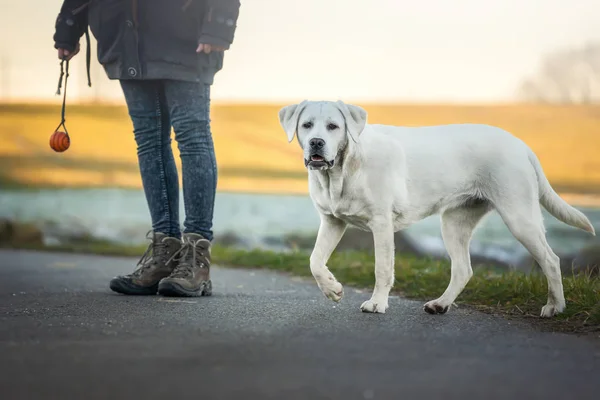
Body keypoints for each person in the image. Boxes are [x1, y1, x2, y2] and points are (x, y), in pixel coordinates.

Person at [53, 0, 241, 297]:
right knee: (149, 141)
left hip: (185, 34)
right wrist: (68, 24)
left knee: (192, 138)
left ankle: (196, 257)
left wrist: (219, 24)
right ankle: (164, 254)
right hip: (126, 37)